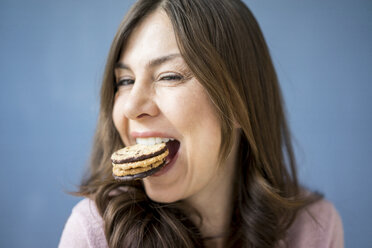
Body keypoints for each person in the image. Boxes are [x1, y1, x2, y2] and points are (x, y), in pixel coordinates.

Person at [59, 0, 344, 247]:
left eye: (169, 76)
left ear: (238, 101)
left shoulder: (313, 229)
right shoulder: (95, 234)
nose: (132, 107)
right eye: (125, 81)